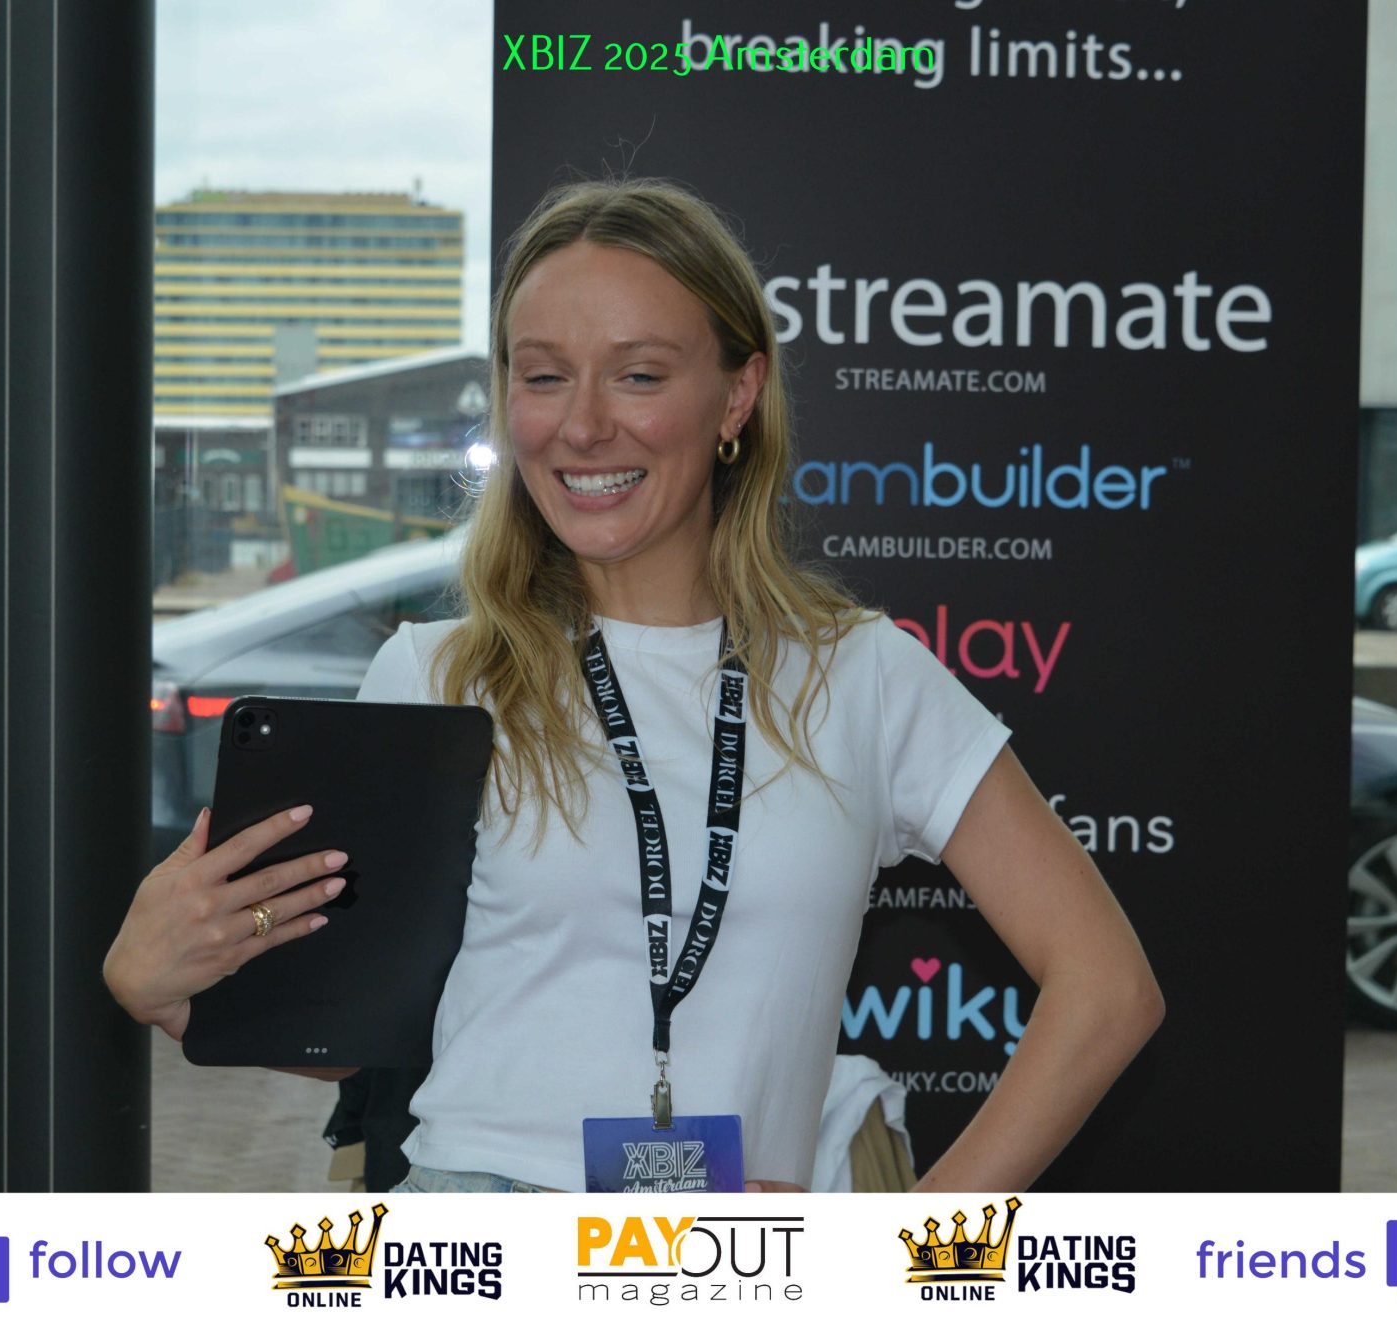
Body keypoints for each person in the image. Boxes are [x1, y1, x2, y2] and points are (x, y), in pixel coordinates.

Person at [104, 177, 1164, 1193]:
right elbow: (346, 1033)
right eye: (543, 376)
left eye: (640, 375)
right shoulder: (435, 675)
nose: (581, 426)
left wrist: (907, 1257)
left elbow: (1107, 989)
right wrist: (174, 987)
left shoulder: (863, 675)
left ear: (736, 395)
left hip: (732, 1267)